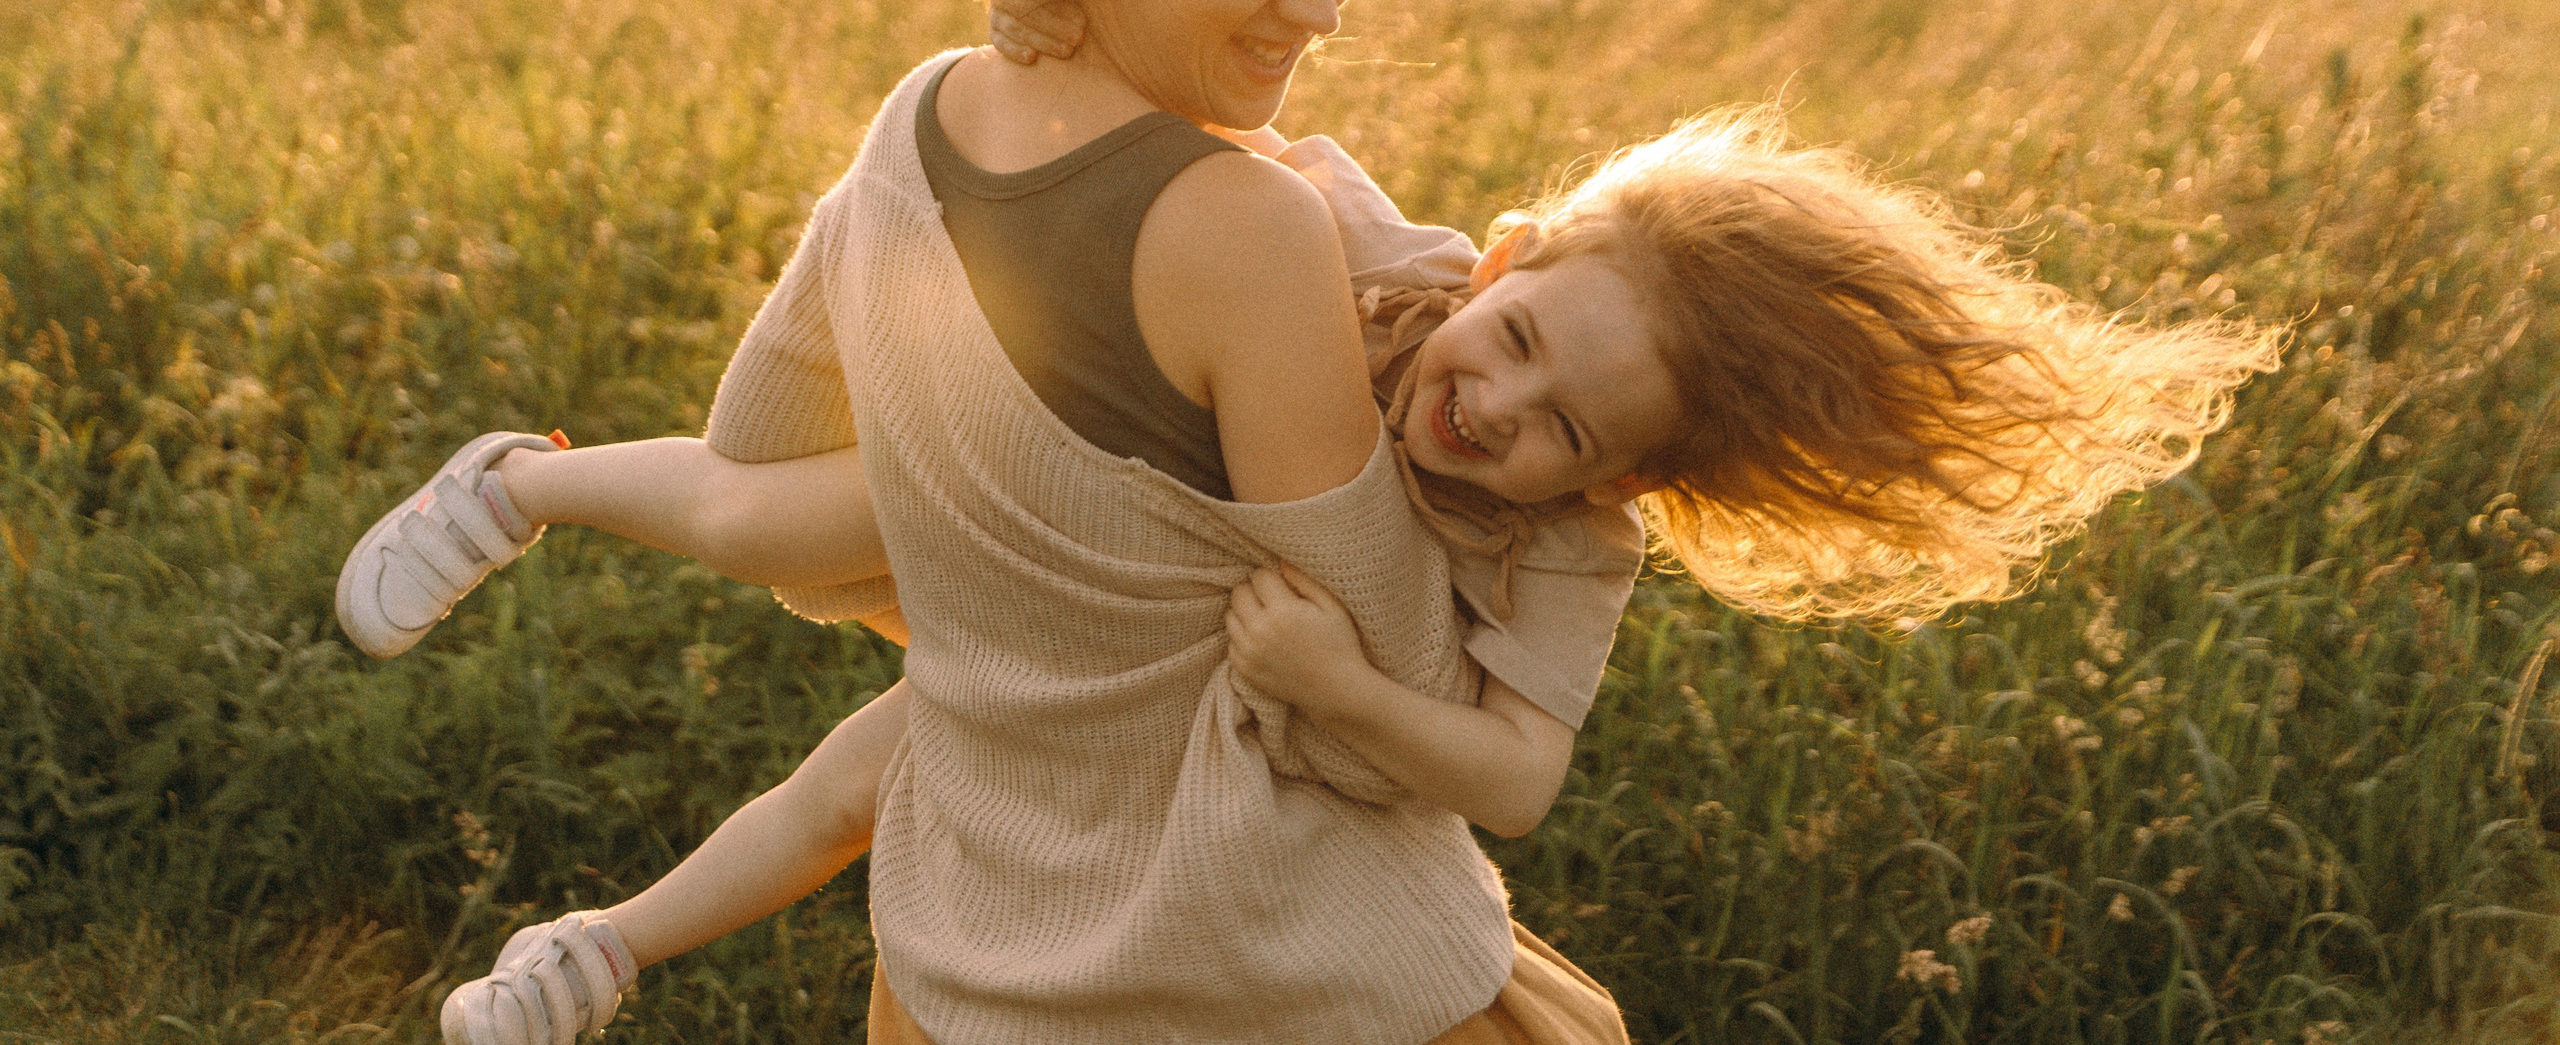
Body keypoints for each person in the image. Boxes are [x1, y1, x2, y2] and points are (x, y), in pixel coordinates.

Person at [380, 68, 2279, 1041]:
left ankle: (598, 950)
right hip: (1085, 561)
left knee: (873, 784)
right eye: (1514, 339)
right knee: (764, 519)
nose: (1494, 409)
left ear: (1627, 478)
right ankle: (528, 488)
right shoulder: (1378, 260)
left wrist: (1339, 688)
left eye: (1566, 430)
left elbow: (1515, 781)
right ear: (1506, 257)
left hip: (1178, 706)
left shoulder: (1580, 552)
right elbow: (1224, 138)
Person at [348, 0, 1631, 1045]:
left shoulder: (925, 116)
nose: (1325, 7)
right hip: (1236, 958)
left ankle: (525, 500)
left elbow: (757, 446)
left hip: (971, 946)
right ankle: (523, 500)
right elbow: (1385, 702)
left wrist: (995, 559)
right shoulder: (1255, 227)